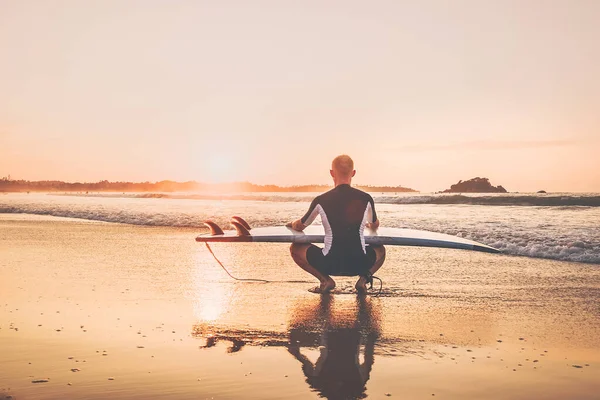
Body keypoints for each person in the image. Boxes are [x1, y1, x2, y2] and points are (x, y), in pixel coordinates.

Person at [287, 155, 386, 294]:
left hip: (329, 263)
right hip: (359, 264)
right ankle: (362, 281)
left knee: (295, 248)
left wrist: (291, 223)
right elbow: (375, 225)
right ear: (353, 173)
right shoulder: (366, 198)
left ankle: (325, 280)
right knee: (380, 249)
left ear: (332, 173)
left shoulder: (321, 200)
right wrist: (368, 225)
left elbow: (300, 226)